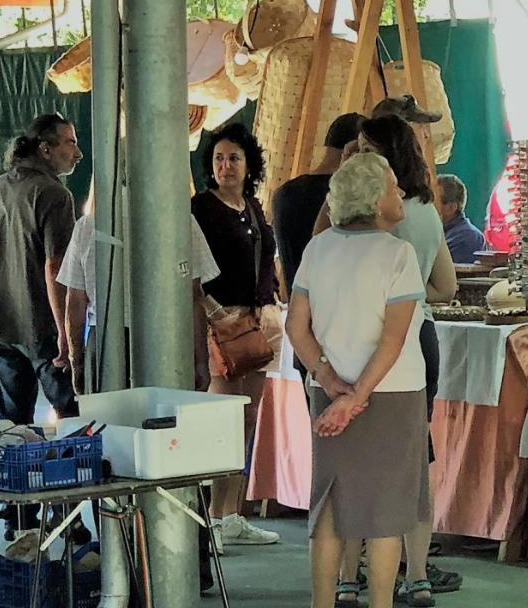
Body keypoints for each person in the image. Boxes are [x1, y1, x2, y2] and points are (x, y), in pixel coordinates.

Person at [317, 114, 460, 606]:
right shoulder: (425, 214)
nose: (354, 154)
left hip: (351, 353)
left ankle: (346, 580)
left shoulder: (336, 236)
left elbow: (303, 305)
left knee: (348, 472)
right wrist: (413, 299)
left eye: (362, 148)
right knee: (407, 467)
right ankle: (416, 574)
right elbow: (447, 286)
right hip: (413, 344)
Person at [286, 152, 431, 608]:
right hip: (393, 393)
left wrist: (329, 381)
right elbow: (394, 337)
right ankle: (381, 603)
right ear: (372, 198)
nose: (401, 192)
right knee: (387, 510)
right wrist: (357, 396)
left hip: (330, 394)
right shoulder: (398, 253)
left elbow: (296, 327)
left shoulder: (318, 248)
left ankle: (322, 602)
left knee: (328, 503)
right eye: (392, 185)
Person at [0, 113, 81, 425]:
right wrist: (66, 332)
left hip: (0, 326)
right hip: (42, 328)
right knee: (74, 418)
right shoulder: (54, 195)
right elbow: (56, 266)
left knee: (12, 425)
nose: (77, 153)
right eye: (70, 143)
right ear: (45, 148)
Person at [191, 123, 282, 547]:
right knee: (221, 420)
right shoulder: (201, 209)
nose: (226, 166)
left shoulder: (253, 207)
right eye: (219, 158)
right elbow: (192, 270)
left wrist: (267, 304)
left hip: (254, 324)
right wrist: (214, 312)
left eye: (234, 158)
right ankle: (209, 518)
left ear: (249, 165)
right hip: (218, 325)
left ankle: (231, 515)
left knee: (247, 419)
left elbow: (265, 262)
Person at [58, 196, 220, 394]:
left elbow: (75, 303)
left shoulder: (86, 226)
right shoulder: (182, 222)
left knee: (108, 422)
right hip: (167, 341)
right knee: (164, 420)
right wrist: (201, 361)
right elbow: (193, 297)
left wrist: (77, 362)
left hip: (103, 344)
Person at [273, 112, 365, 299]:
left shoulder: (283, 193)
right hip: (334, 310)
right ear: (355, 148)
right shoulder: (348, 196)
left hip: (296, 307)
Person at [437, 174, 486, 264]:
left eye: (433, 200)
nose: (426, 205)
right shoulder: (440, 232)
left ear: (450, 207)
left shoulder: (467, 237)